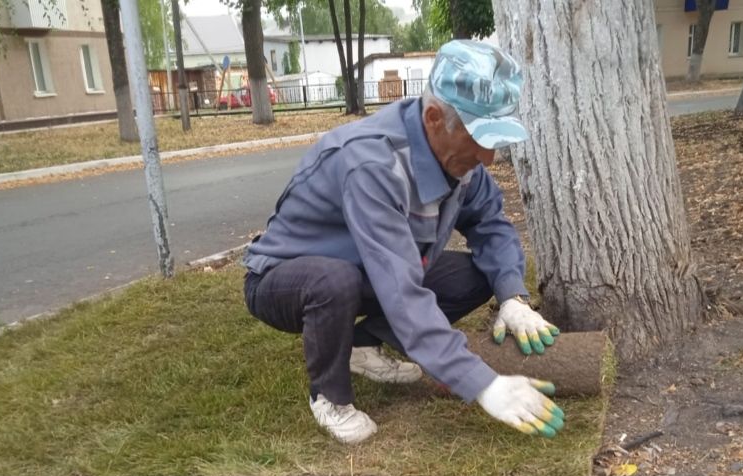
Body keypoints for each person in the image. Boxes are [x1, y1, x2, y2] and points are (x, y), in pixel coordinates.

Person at [241, 39, 565, 444]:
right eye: (481, 138)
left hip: (367, 268)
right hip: (285, 278)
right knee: (333, 281)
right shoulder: (373, 164)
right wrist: (483, 384)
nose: (488, 158)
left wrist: (512, 297)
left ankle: (361, 344)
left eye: (495, 139)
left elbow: (491, 224)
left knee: (480, 275)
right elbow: (401, 291)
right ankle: (329, 395)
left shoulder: (459, 158)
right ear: (433, 117)